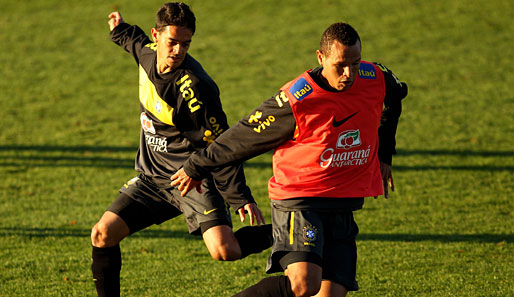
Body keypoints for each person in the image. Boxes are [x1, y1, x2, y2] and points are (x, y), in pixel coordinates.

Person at [171, 22, 408, 297]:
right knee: (304, 283)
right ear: (321, 57)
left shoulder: (374, 77)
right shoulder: (297, 100)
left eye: (355, 63)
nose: (349, 74)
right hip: (300, 198)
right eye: (340, 65)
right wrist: (197, 165)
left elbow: (394, 97)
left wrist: (384, 153)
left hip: (343, 199)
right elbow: (243, 136)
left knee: (331, 293)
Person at [90, 3, 273, 297]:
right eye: (172, 42)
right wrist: (119, 29)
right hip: (153, 178)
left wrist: (240, 198)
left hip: (192, 179)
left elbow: (221, 144)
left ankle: (290, 231)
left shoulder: (195, 88)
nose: (177, 51)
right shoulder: (148, 53)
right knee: (102, 234)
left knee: (226, 250)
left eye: (185, 44)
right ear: (156, 36)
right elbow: (133, 42)